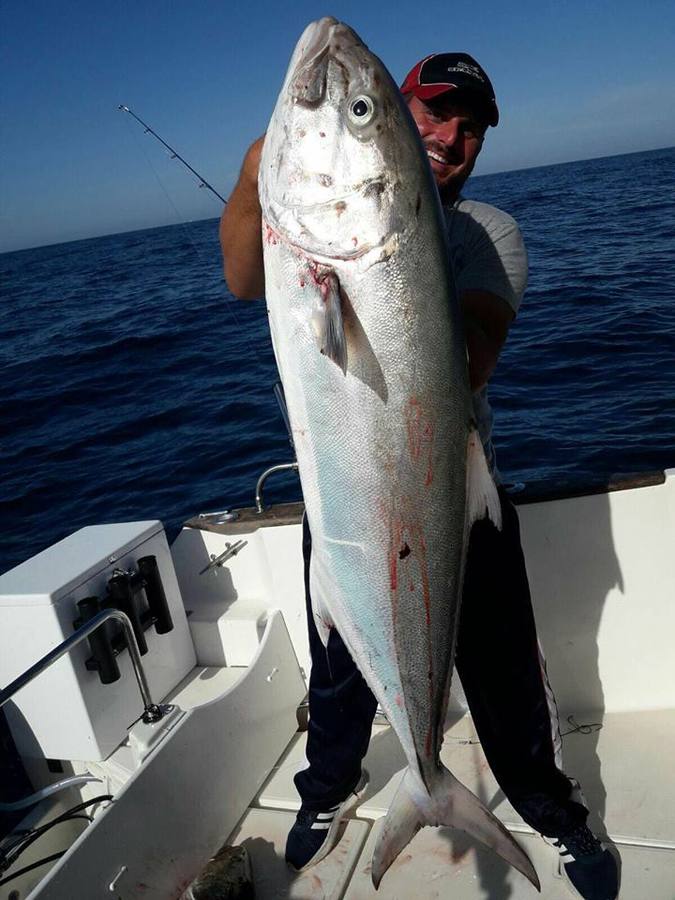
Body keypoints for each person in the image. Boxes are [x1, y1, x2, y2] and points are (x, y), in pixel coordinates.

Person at [220, 52, 619, 900]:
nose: (451, 136)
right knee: (336, 679)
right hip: (344, 501)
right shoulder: (308, 215)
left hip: (459, 499)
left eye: (470, 125)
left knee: (506, 676)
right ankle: (327, 795)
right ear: (402, 115)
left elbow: (469, 358)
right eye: (429, 113)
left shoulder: (489, 233)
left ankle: (550, 810)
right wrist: (259, 176)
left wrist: (386, 271)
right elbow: (242, 278)